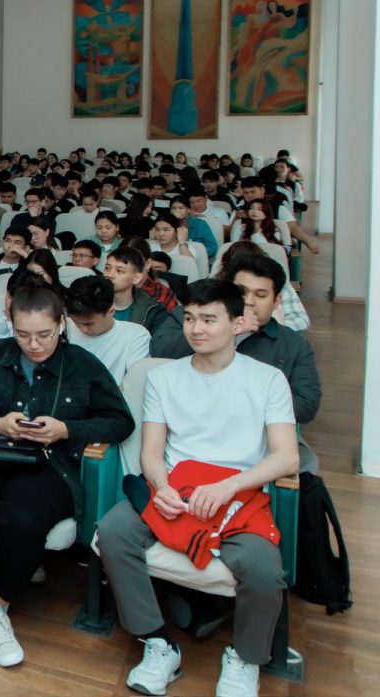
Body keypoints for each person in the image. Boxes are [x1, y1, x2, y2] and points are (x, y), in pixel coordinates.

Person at [96, 279, 297, 697]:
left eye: (208, 319)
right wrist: (161, 485)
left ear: (237, 323)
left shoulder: (268, 379)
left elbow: (286, 458)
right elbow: (152, 452)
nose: (196, 329)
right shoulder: (164, 377)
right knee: (113, 532)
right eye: (189, 318)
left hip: (238, 493)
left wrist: (228, 486)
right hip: (177, 488)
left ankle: (245, 657)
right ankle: (157, 642)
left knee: (264, 569)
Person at [0, 283, 133, 667]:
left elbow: (119, 421)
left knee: (20, 518)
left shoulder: (82, 365)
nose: (34, 345)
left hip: (50, 463)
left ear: (61, 324)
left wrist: (66, 430)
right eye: (23, 335)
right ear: (10, 323)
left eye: (44, 334)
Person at [230, 253, 321, 474]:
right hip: (203, 429)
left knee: (305, 464)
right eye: (241, 291)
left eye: (260, 295)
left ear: (277, 301)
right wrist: (229, 332)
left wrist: (244, 404)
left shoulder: (293, 345)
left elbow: (306, 405)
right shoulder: (201, 327)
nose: (248, 301)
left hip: (265, 436)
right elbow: (167, 357)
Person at [104, 247, 189, 358]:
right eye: (107, 268)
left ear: (137, 278)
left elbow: (155, 350)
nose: (110, 275)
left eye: (119, 271)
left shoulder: (154, 309)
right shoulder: (92, 301)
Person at [63, 275, 150, 383]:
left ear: (111, 311)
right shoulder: (63, 328)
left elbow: (135, 383)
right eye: (76, 322)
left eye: (89, 324)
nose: (83, 329)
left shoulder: (135, 336)